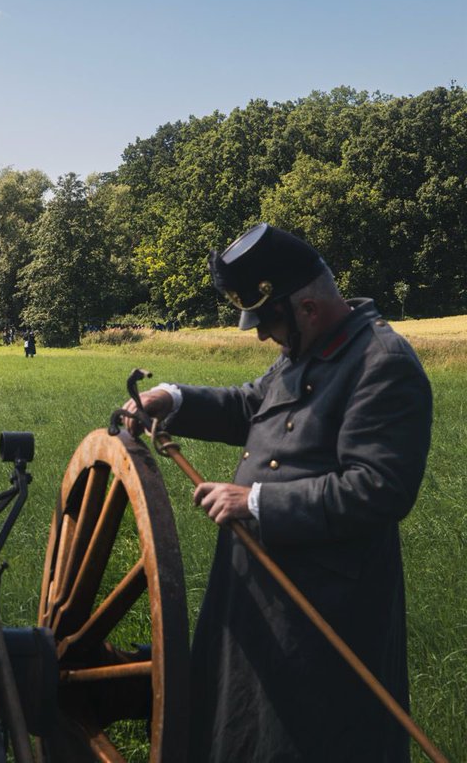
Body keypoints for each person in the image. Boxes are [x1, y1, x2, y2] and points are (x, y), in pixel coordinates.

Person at [122, 223, 432, 761]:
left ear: (308, 307)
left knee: (309, 740)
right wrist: (169, 399)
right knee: (242, 730)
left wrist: (257, 503)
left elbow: (379, 488)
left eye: (268, 321)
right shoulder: (310, 346)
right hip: (258, 585)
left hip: (324, 608)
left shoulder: (382, 364)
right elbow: (251, 406)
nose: (264, 336)